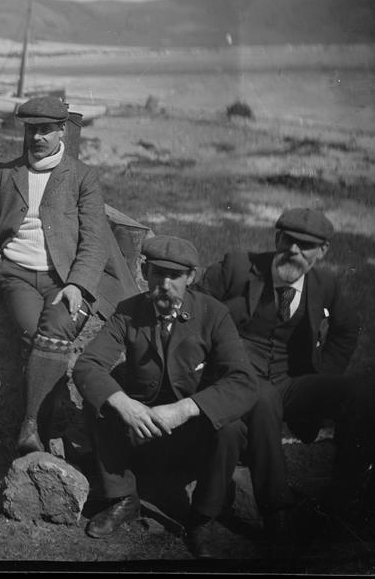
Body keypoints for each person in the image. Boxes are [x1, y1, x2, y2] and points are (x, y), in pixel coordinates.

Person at [194, 209, 375, 541]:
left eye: (305, 246)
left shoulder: (325, 285)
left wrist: (323, 373)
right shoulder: (237, 267)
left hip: (289, 381)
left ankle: (343, 501)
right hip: (235, 375)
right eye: (288, 240)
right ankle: (277, 511)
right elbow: (194, 309)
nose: (294, 250)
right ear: (277, 238)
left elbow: (347, 330)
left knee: (361, 393)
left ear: (322, 251)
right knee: (263, 397)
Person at [72, 236, 257, 559]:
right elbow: (88, 365)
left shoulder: (213, 314)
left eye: (175, 276)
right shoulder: (128, 311)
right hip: (142, 431)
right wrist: (125, 404)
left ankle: (202, 516)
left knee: (232, 428)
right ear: (145, 272)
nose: (165, 285)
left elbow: (243, 381)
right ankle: (123, 497)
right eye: (158, 273)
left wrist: (186, 408)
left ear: (191, 277)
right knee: (101, 398)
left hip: (192, 434)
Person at [0, 96, 128, 454]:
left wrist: (77, 283)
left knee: (55, 331)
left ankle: (30, 427)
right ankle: (44, 429)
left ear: (61, 131)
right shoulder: (6, 172)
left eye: (45, 130)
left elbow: (94, 239)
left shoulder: (82, 176)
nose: (37, 138)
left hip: (64, 278)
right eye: (31, 130)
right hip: (17, 275)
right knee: (34, 337)